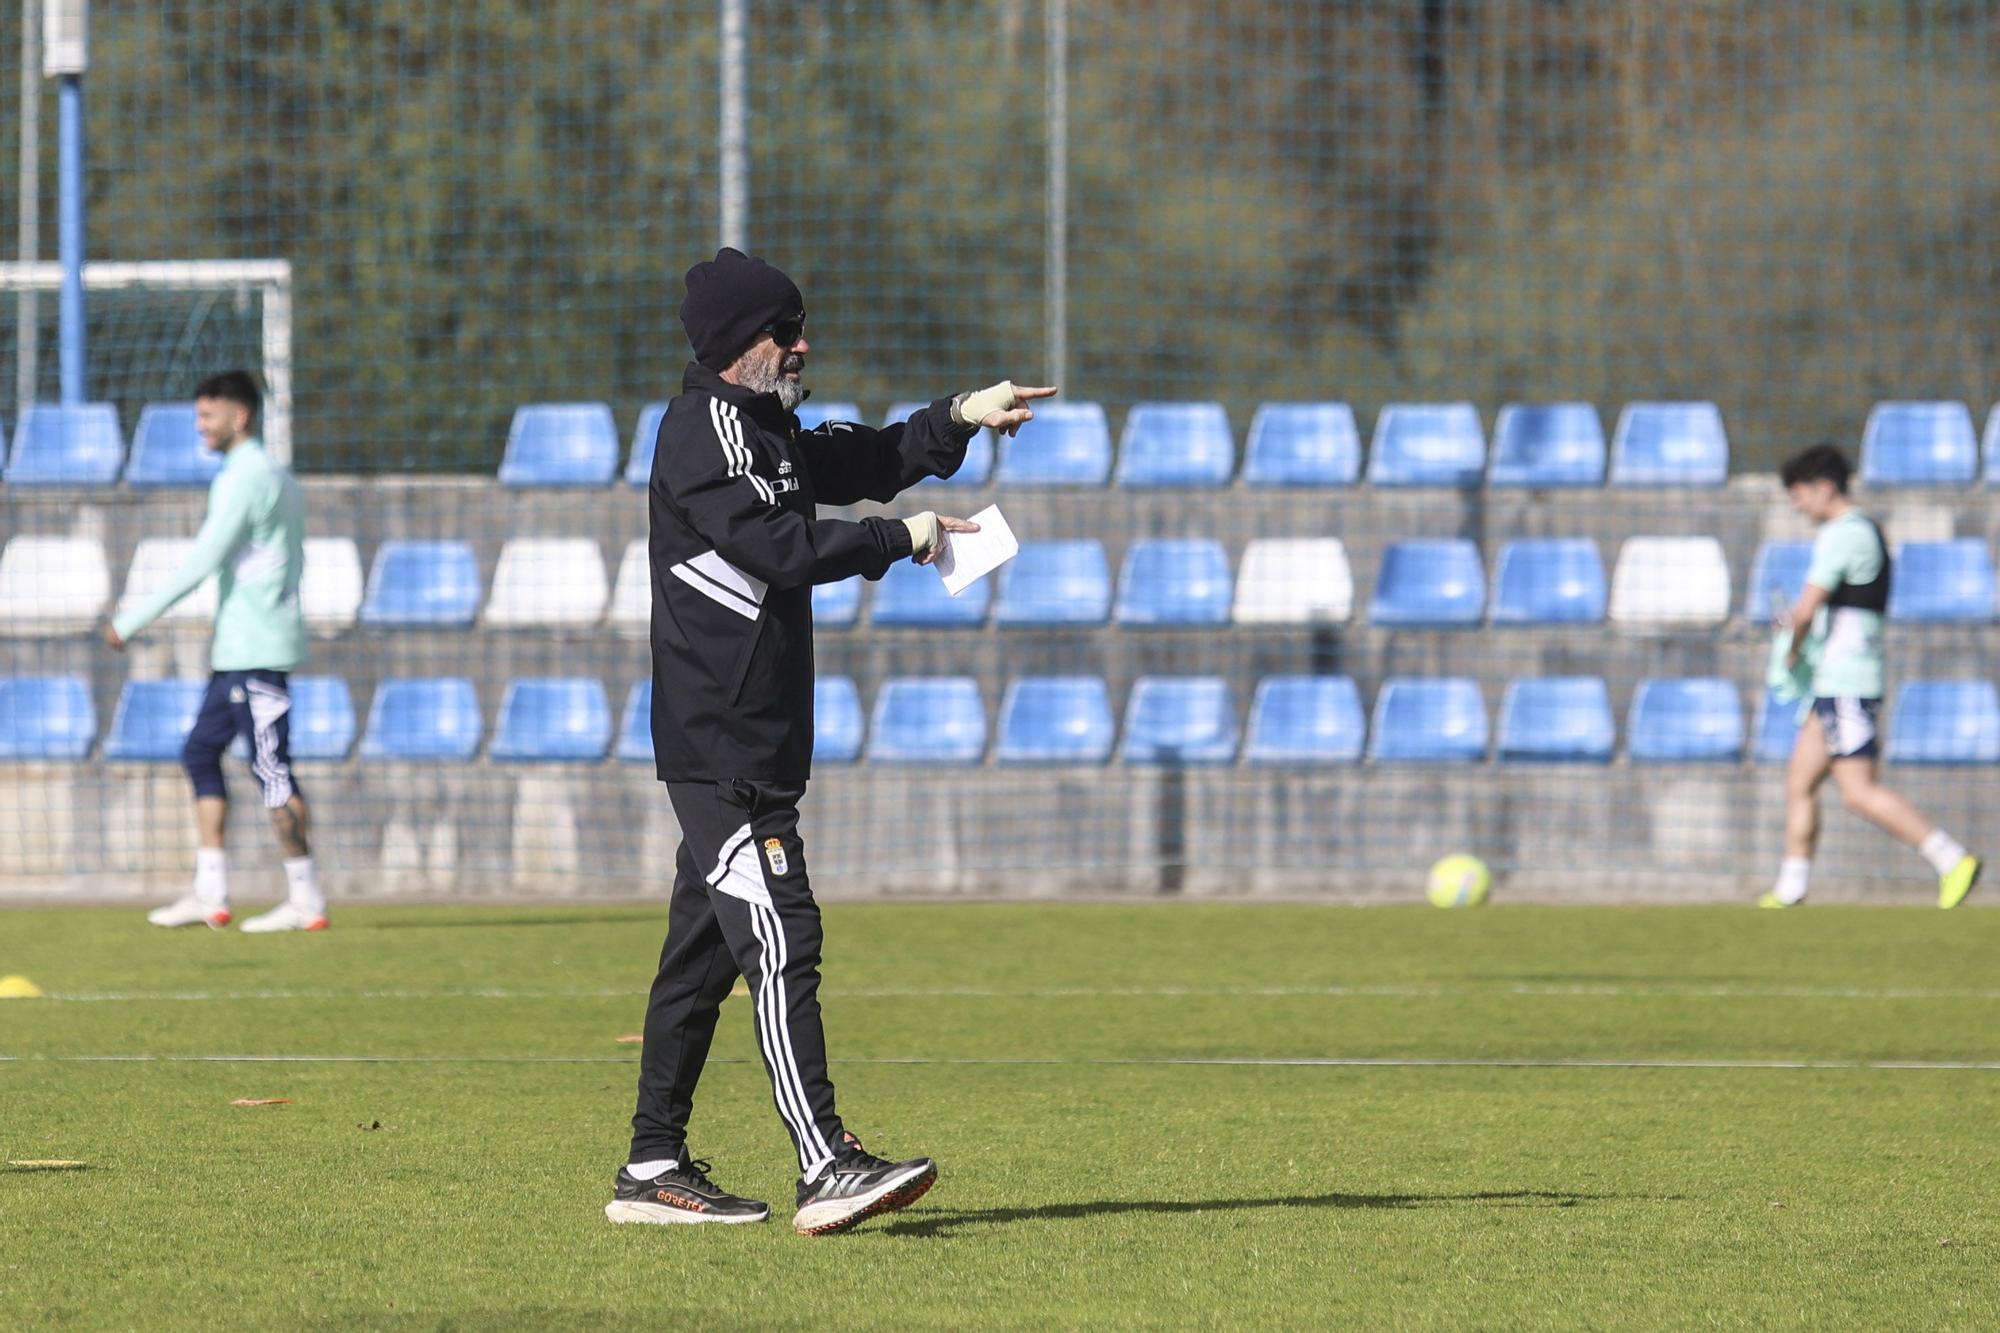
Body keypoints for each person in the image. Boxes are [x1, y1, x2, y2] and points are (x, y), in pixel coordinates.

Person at [607, 247, 1053, 1234]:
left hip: (752, 743)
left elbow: (870, 458)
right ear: (735, 347)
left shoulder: (763, 428)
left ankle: (651, 1164)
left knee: (703, 959)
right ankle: (825, 1164)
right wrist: (904, 539)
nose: (802, 344)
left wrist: (956, 417)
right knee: (780, 935)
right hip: (720, 747)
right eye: (784, 331)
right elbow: (773, 546)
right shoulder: (704, 434)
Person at [105, 370, 326, 933]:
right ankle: (211, 892)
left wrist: (131, 620)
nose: (200, 427)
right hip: (236, 650)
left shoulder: (246, 477)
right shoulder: (271, 474)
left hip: (257, 649)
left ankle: (306, 898)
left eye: (208, 416)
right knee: (201, 753)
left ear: (240, 416)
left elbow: (205, 559)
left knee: (272, 771)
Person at [1760, 442, 1980, 909]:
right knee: (1799, 781)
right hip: (1834, 681)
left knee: (1858, 792)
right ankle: (1791, 887)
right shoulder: (1863, 531)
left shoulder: (1844, 534)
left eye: (1798, 494)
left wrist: (1790, 654)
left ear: (1823, 487)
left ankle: (1951, 858)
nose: (1797, 505)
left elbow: (1804, 612)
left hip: (1847, 681)